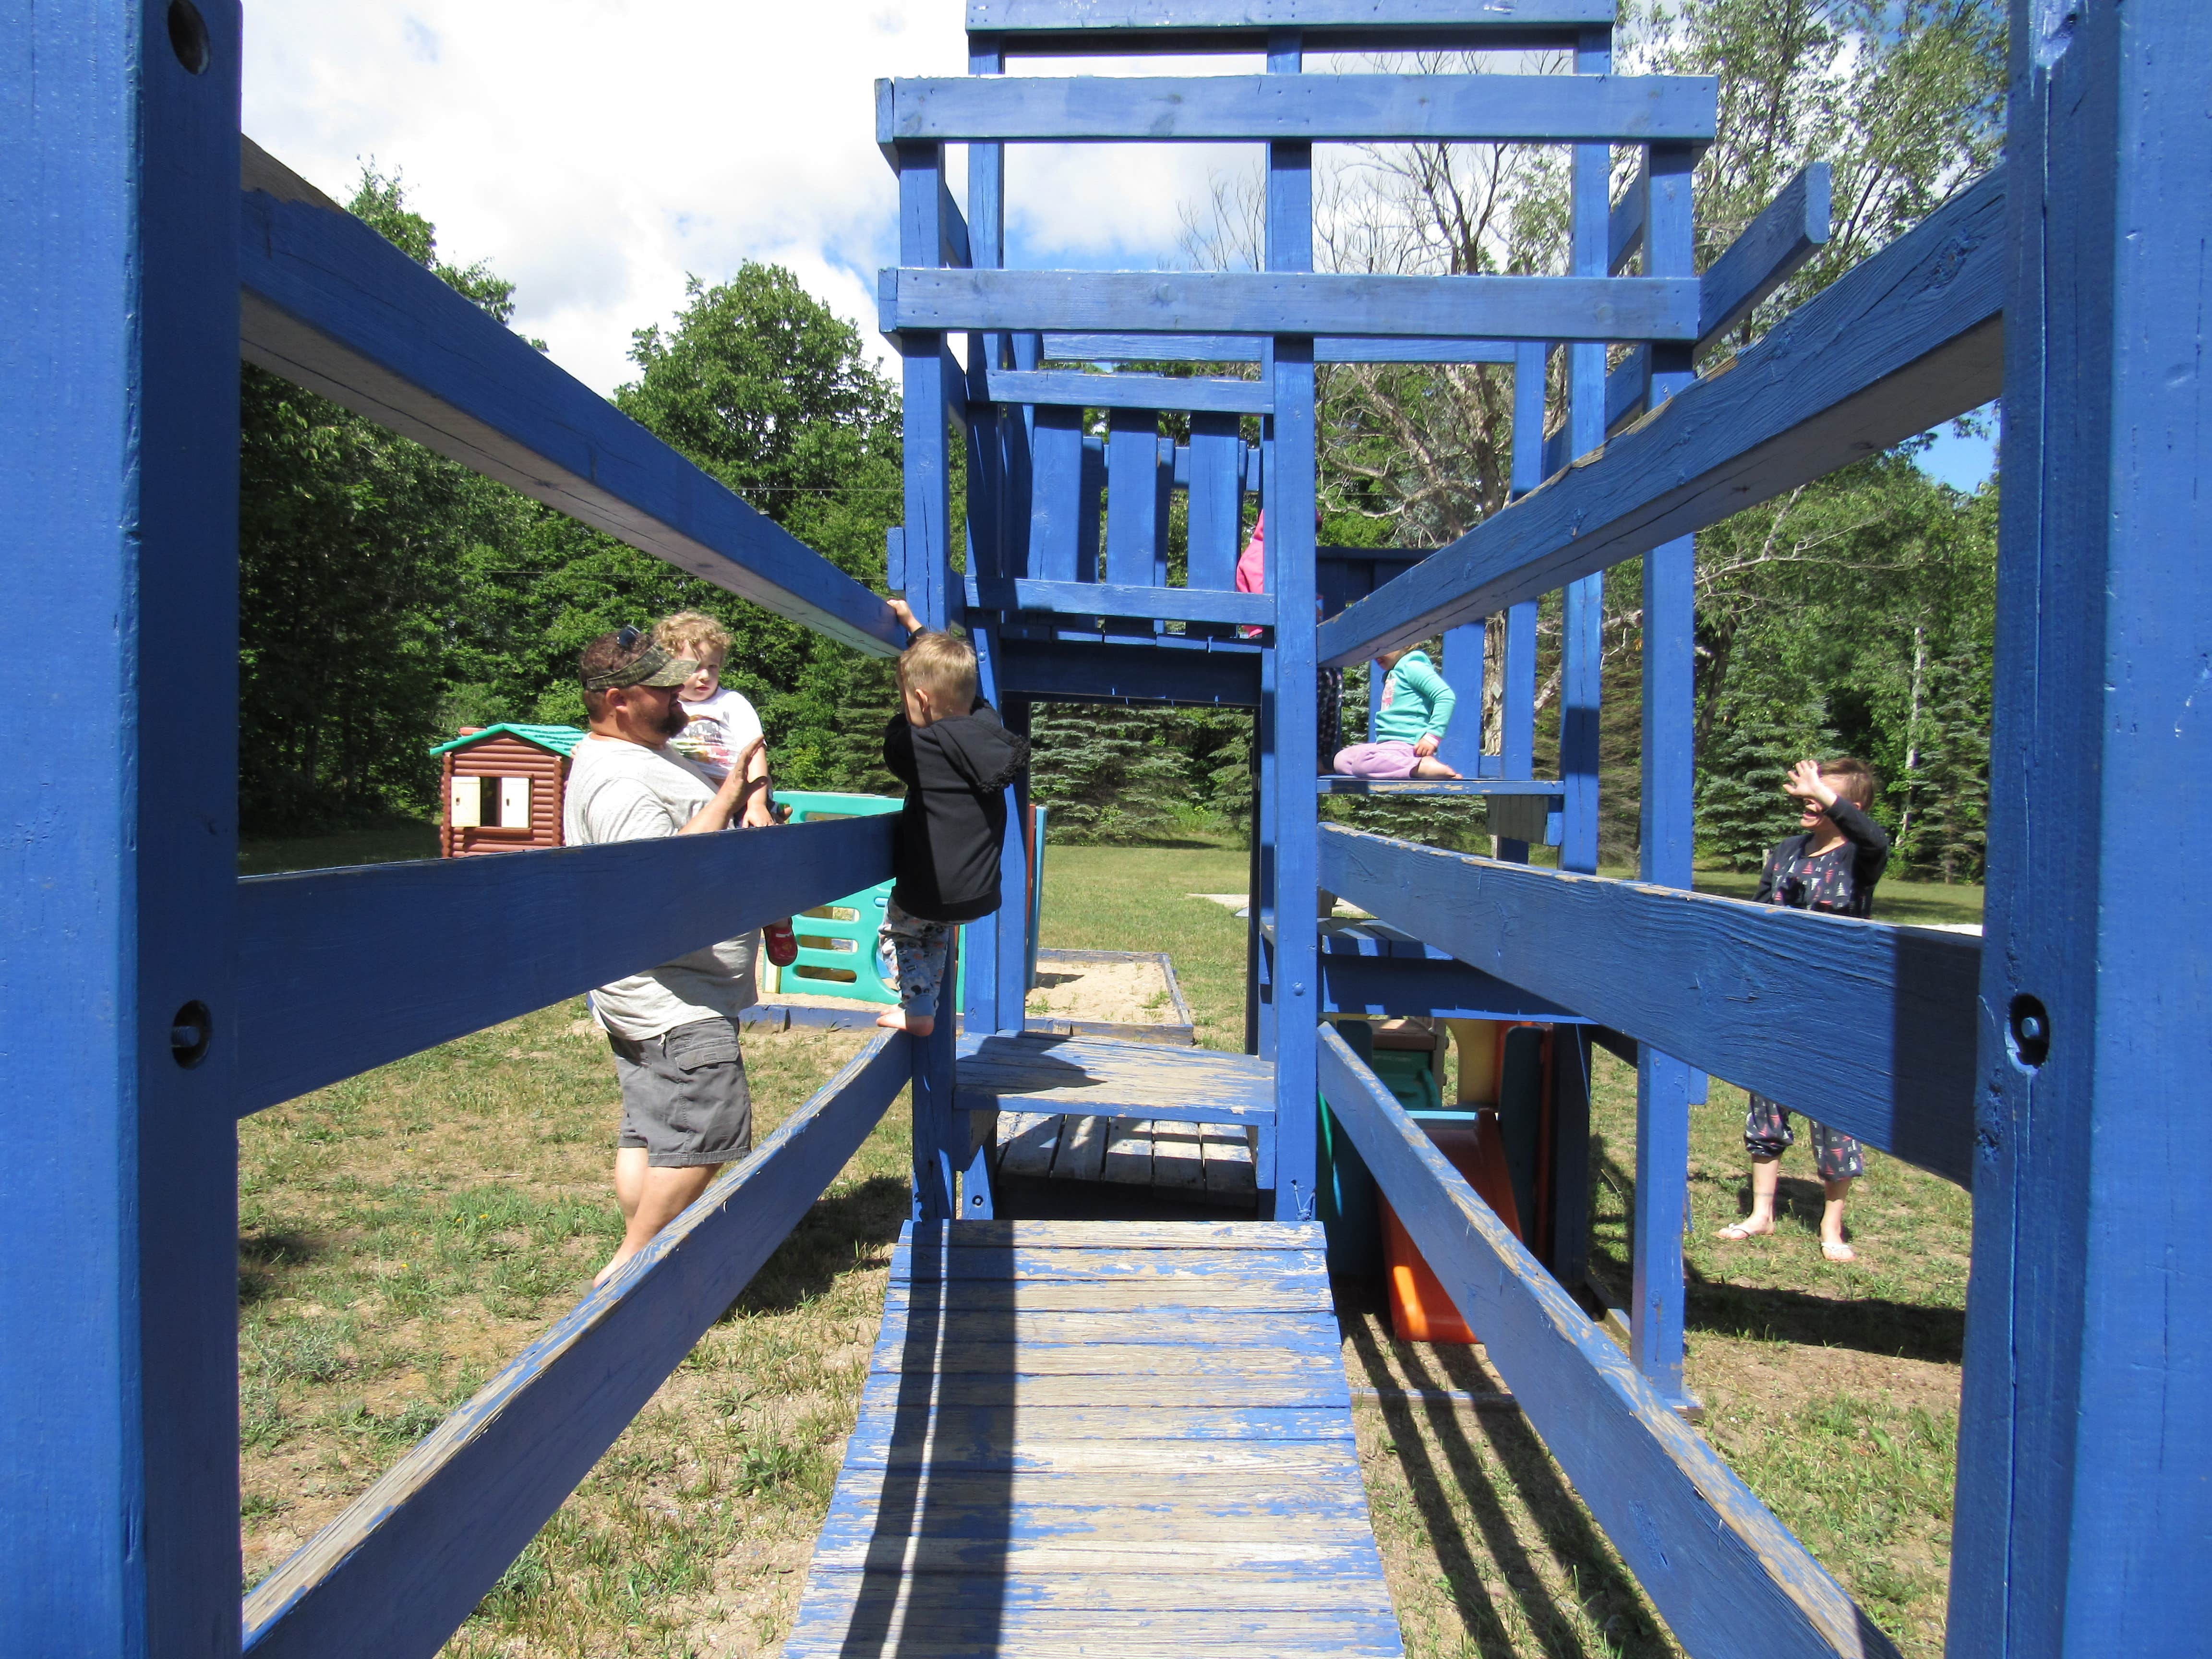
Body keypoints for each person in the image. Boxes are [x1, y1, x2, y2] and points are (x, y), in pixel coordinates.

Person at [563, 626, 768, 1287]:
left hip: (667, 989)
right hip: (672, 996)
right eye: (662, 687)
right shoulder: (618, 778)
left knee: (652, 1133)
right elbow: (656, 885)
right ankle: (632, 1267)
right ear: (619, 699)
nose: (681, 692)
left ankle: (650, 1252)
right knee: (712, 1121)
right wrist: (731, 798)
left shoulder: (637, 751)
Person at [1716, 756, 1891, 1262]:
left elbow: (1880, 840)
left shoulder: (1860, 856)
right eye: (1808, 788)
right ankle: (1761, 1215)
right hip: (1777, 1000)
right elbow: (1759, 909)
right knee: (1766, 1108)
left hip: (1837, 1008)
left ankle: (1832, 1228)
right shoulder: (1788, 851)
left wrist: (1825, 792)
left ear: (1851, 807)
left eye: (1822, 792)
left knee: (1834, 1115)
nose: (1808, 798)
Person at [874, 599, 1030, 1038]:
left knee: (899, 933)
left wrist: (908, 715)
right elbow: (972, 699)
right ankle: (926, 1002)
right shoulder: (990, 730)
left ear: (920, 700)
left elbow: (894, 739)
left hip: (928, 889)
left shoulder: (918, 749)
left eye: (907, 701)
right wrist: (918, 630)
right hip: (975, 895)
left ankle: (918, 1006)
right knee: (937, 934)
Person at [1332, 644, 1462, 780]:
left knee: (1362, 763)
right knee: (1342, 760)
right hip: (1390, 746)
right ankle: (1407, 767)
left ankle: (1420, 765)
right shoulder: (1395, 673)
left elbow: (1446, 696)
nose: (1377, 653)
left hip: (1409, 744)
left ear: (1406, 643)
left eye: (1384, 646)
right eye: (1373, 649)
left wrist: (1432, 737)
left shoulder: (1413, 667)